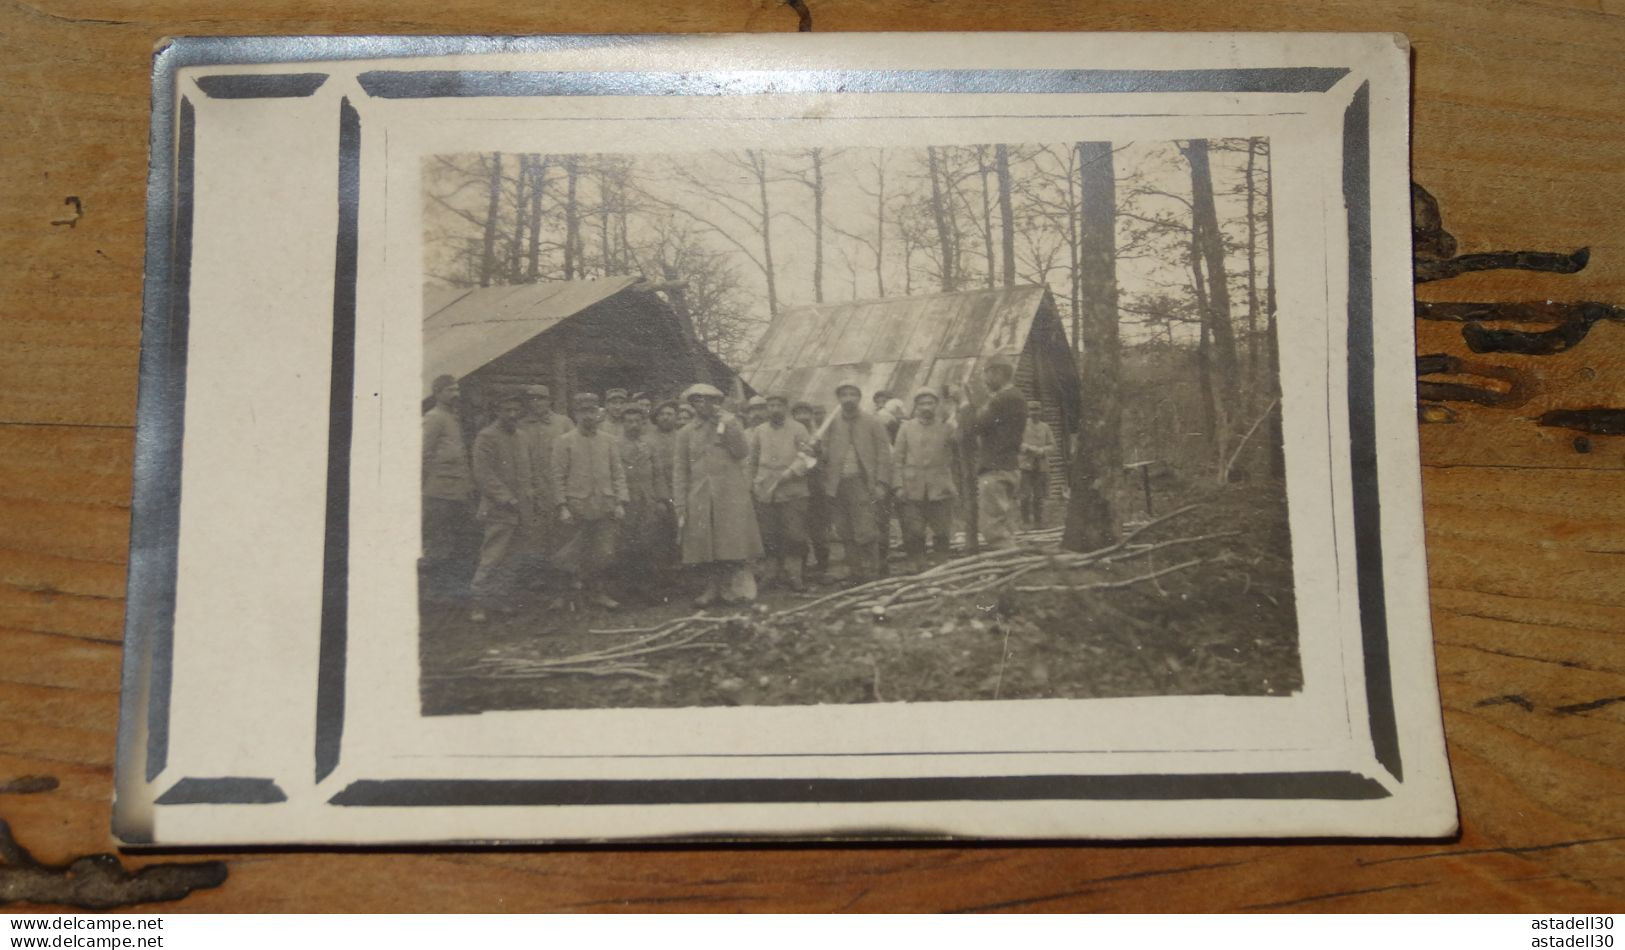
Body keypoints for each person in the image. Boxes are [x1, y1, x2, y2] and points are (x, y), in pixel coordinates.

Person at [674, 383, 764, 606]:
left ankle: (729, 587)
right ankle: (711, 588)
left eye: (708, 400)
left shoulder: (730, 424)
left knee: (730, 543)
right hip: (700, 495)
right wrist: (680, 502)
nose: (702, 405)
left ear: (716, 403)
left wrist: (730, 425)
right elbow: (680, 469)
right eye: (696, 401)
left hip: (729, 495)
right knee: (705, 544)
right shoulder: (685, 433)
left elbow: (742, 452)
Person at [551, 393, 628, 609]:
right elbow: (557, 477)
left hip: (605, 504)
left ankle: (598, 593)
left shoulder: (609, 441)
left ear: (598, 413)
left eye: (592, 411)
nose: (588, 416)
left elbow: (618, 473)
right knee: (570, 552)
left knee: (603, 552)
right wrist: (562, 506)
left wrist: (620, 501)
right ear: (575, 414)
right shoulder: (564, 442)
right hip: (576, 506)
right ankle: (566, 596)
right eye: (583, 411)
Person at [469, 390, 538, 622]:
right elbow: (483, 474)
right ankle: (478, 602)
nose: (511, 414)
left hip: (522, 509)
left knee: (513, 557)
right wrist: (506, 498)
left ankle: (500, 598)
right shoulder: (486, 437)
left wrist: (529, 495)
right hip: (499, 509)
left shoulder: (522, 436)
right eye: (506, 410)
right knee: (493, 556)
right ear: (497, 411)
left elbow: (528, 470)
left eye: (515, 410)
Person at [820, 382, 894, 584]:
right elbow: (825, 453)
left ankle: (872, 574)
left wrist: (881, 483)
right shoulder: (832, 424)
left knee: (866, 531)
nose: (848, 398)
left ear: (859, 398)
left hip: (862, 483)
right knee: (845, 531)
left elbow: (884, 454)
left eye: (853, 394)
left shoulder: (873, 422)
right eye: (844, 394)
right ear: (839, 399)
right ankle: (856, 574)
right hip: (837, 484)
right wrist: (815, 450)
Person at [747, 393, 813, 591]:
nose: (774, 409)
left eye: (778, 405)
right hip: (765, 491)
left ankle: (795, 574)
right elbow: (753, 460)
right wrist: (752, 484)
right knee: (769, 535)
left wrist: (792, 472)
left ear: (785, 407)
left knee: (794, 535)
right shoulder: (759, 431)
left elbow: (808, 457)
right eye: (771, 406)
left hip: (793, 491)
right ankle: (771, 573)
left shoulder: (798, 429)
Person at [893, 386, 959, 573]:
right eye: (922, 403)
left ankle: (941, 563)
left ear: (936, 405)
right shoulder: (906, 427)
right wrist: (898, 485)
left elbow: (959, 443)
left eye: (930, 402)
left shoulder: (946, 426)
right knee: (914, 529)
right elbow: (897, 459)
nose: (926, 407)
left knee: (942, 529)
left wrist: (953, 417)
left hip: (940, 486)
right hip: (912, 486)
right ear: (916, 406)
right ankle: (917, 563)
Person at [422, 375, 474, 605]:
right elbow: (424, 454)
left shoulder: (452, 417)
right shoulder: (433, 418)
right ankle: (435, 591)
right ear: (438, 393)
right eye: (450, 390)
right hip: (439, 491)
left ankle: (452, 589)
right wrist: (429, 484)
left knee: (458, 540)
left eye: (457, 389)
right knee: (439, 540)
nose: (456, 394)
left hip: (457, 490)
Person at [965, 361, 1026, 548]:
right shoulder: (1012, 397)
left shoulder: (1003, 399)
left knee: (992, 528)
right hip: (1007, 466)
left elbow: (974, 426)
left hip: (996, 468)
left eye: (986, 374)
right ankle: (1007, 565)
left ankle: (1007, 567)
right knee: (1004, 523)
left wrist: (964, 404)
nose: (984, 380)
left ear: (998, 373)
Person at [517, 383, 574, 584]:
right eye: (532, 399)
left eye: (541, 398)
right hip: (534, 490)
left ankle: (566, 580)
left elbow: (574, 454)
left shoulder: (563, 423)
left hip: (561, 489)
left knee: (564, 535)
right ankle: (542, 580)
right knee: (537, 536)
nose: (536, 403)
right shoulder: (521, 425)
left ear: (549, 400)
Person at [792, 401, 831, 576]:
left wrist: (817, 449)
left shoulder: (819, 434)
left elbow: (826, 457)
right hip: (796, 487)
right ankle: (802, 568)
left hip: (816, 487)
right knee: (798, 531)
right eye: (798, 413)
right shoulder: (790, 433)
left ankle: (823, 568)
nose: (802, 417)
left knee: (819, 531)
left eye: (806, 412)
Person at [646, 400, 683, 584]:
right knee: (660, 536)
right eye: (662, 414)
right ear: (656, 418)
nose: (666, 417)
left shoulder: (683, 436)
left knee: (682, 535)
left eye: (669, 414)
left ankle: (682, 577)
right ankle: (661, 578)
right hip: (658, 496)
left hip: (681, 493)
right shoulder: (648, 439)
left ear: (676, 417)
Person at [1019, 399, 1056, 528]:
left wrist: (1043, 450)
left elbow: (1052, 446)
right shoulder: (1022, 426)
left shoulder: (1045, 427)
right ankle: (1025, 522)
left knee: (1039, 496)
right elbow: (1017, 443)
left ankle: (1038, 522)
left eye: (1037, 410)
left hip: (1040, 465)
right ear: (1028, 412)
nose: (1034, 413)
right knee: (1025, 495)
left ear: (1041, 412)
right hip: (1026, 465)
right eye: (1032, 410)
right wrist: (1028, 447)